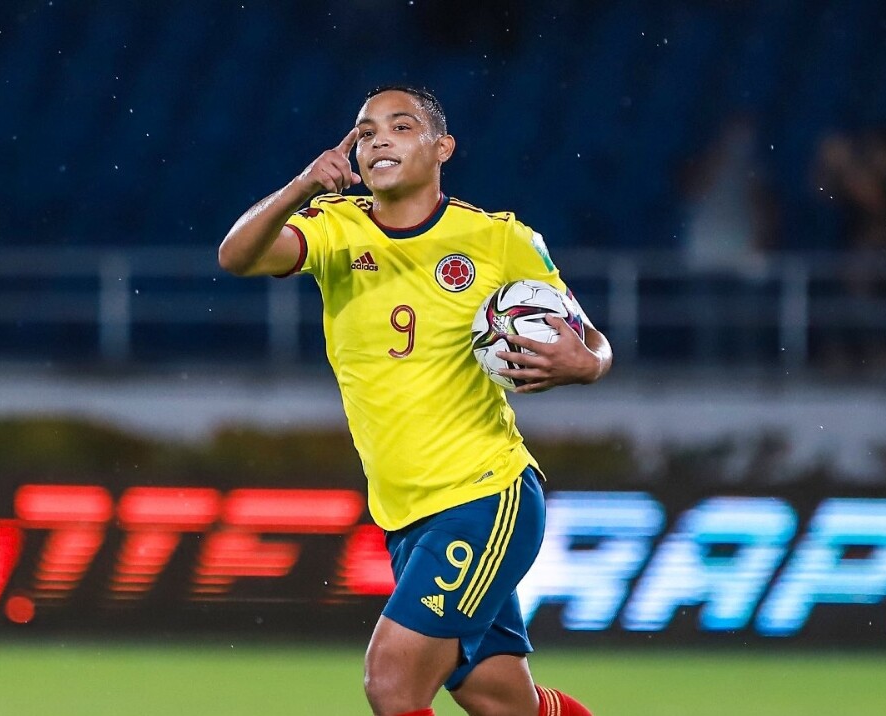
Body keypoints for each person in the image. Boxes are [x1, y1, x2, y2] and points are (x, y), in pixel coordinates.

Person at [219, 85, 611, 716]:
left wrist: (587, 363)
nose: (378, 140)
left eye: (400, 127)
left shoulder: (496, 238)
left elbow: (588, 335)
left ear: (441, 148)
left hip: (485, 496)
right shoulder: (333, 227)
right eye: (366, 130)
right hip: (404, 516)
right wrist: (300, 187)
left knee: (392, 683)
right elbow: (236, 256)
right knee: (502, 700)